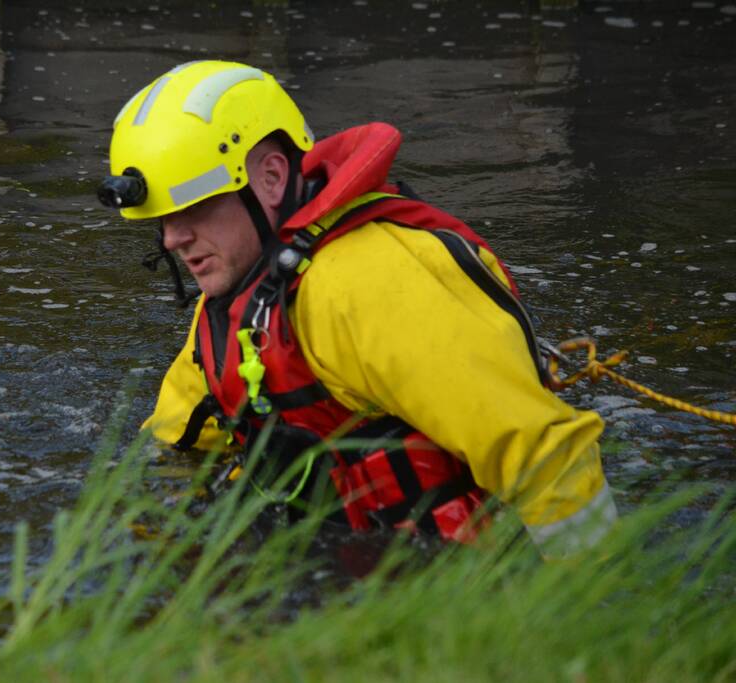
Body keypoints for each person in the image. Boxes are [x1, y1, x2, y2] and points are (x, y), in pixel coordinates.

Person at [97, 60, 616, 557]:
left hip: (455, 579)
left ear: (272, 178)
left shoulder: (373, 285)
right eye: (162, 219)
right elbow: (172, 449)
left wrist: (602, 617)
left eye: (193, 208)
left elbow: (544, 455)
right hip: (334, 559)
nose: (172, 239)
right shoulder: (236, 298)